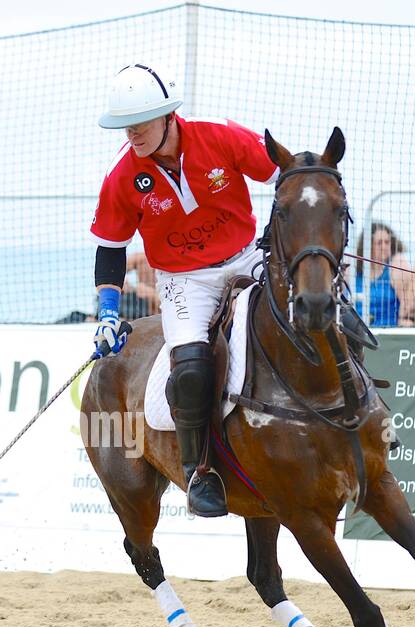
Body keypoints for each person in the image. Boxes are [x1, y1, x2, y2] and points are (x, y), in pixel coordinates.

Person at [89, 64, 278, 517]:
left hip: (246, 257)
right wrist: (108, 314)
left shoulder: (222, 136)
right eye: (124, 127)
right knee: (190, 369)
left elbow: (284, 178)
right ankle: (200, 472)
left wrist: (277, 237)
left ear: (168, 116)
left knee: (316, 311)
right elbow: (111, 249)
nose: (131, 134)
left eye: (139, 124)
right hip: (184, 281)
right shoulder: (122, 175)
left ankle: (354, 417)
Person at [357, 221, 411, 328]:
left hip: (387, 330)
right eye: (379, 243)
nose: (384, 246)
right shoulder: (354, 272)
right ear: (368, 245)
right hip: (357, 332)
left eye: (387, 242)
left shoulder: (395, 268)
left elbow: (406, 304)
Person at [120, 250, 159, 319]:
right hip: (143, 303)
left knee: (145, 290)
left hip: (161, 301)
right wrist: (122, 283)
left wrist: (152, 294)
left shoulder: (174, 260)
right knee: (141, 288)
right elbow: (117, 268)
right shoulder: (142, 258)